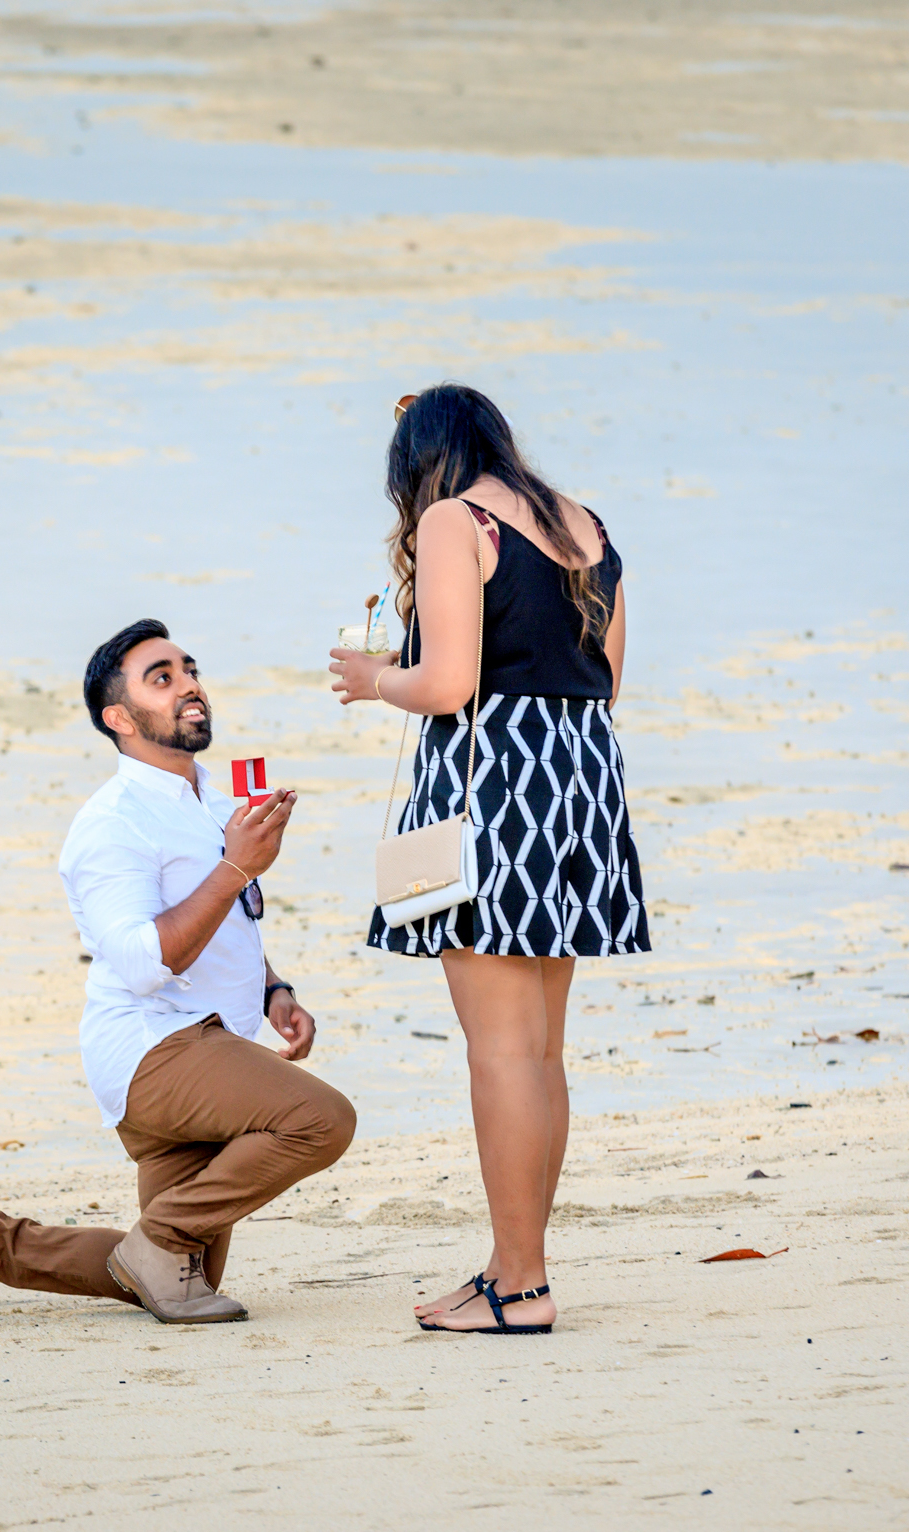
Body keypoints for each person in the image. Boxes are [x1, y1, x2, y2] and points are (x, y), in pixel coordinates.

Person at [0, 619, 356, 1324]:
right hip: (151, 1048)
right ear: (120, 717)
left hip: (212, 1044)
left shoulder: (217, 805)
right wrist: (237, 868)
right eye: (160, 678)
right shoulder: (112, 824)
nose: (189, 684)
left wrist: (275, 991)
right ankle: (163, 1238)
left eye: (189, 669)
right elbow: (143, 965)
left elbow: (227, 926)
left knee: (165, 1273)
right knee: (322, 1121)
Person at [327, 385, 648, 1334]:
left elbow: (450, 683)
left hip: (495, 789)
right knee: (542, 1052)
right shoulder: (585, 526)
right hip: (582, 784)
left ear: (420, 460)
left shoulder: (452, 519)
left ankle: (521, 1284)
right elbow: (608, 680)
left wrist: (373, 680)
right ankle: (517, 1269)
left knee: (500, 1053)